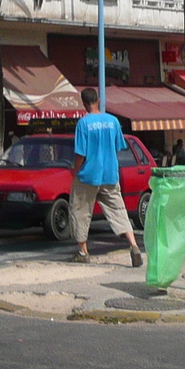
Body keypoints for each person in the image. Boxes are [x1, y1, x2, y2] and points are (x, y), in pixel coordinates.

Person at [67, 88, 143, 266]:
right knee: (118, 210)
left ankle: (83, 252)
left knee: (80, 211)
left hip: (88, 175)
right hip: (110, 173)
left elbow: (80, 153)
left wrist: (74, 171)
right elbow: (118, 146)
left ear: (84, 103)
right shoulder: (113, 121)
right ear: (98, 100)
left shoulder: (83, 124)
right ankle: (133, 246)